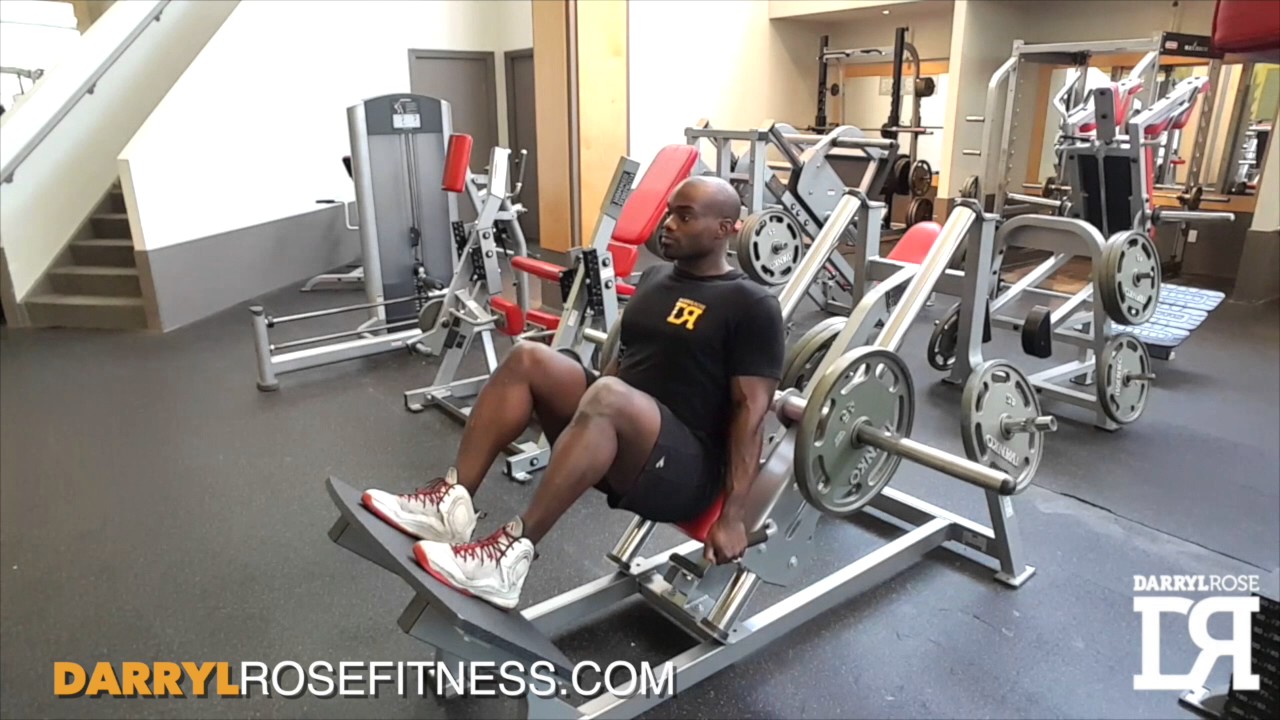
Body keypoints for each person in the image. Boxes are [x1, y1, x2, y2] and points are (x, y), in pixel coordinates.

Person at [362, 175, 786, 609]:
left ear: (723, 229)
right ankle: (450, 506)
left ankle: (508, 559)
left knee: (608, 395)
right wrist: (568, 421)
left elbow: (750, 415)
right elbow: (625, 362)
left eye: (684, 216)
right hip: (623, 440)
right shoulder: (655, 278)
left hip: (684, 473)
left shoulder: (752, 305)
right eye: (668, 212)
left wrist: (733, 516)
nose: (668, 224)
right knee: (529, 357)